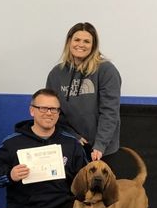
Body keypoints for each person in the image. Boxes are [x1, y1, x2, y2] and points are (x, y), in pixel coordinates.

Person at [45, 22, 122, 164]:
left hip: (102, 149)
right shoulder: (56, 74)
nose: (81, 44)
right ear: (69, 42)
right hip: (71, 144)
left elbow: (110, 112)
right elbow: (53, 111)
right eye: (77, 40)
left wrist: (100, 145)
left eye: (86, 41)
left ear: (93, 45)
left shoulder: (106, 70)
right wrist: (72, 135)